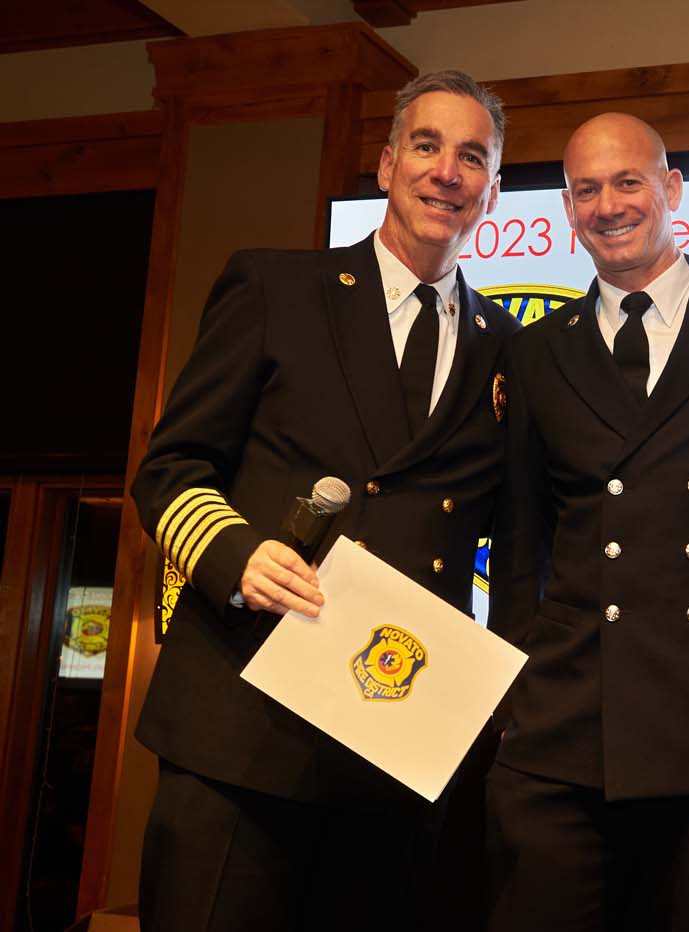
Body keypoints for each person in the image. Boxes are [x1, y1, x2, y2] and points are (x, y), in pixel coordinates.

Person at [131, 71, 518, 932]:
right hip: (245, 721)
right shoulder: (276, 289)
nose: (446, 172)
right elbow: (171, 467)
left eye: (471, 158)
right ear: (385, 165)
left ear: (491, 195)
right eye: (426, 146)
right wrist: (234, 555)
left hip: (392, 742)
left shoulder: (505, 347)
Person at [486, 112, 689, 931]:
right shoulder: (536, 351)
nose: (609, 205)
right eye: (587, 189)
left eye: (628, 182)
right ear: (568, 207)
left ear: (671, 188)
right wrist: (512, 701)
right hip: (563, 728)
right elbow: (521, 543)